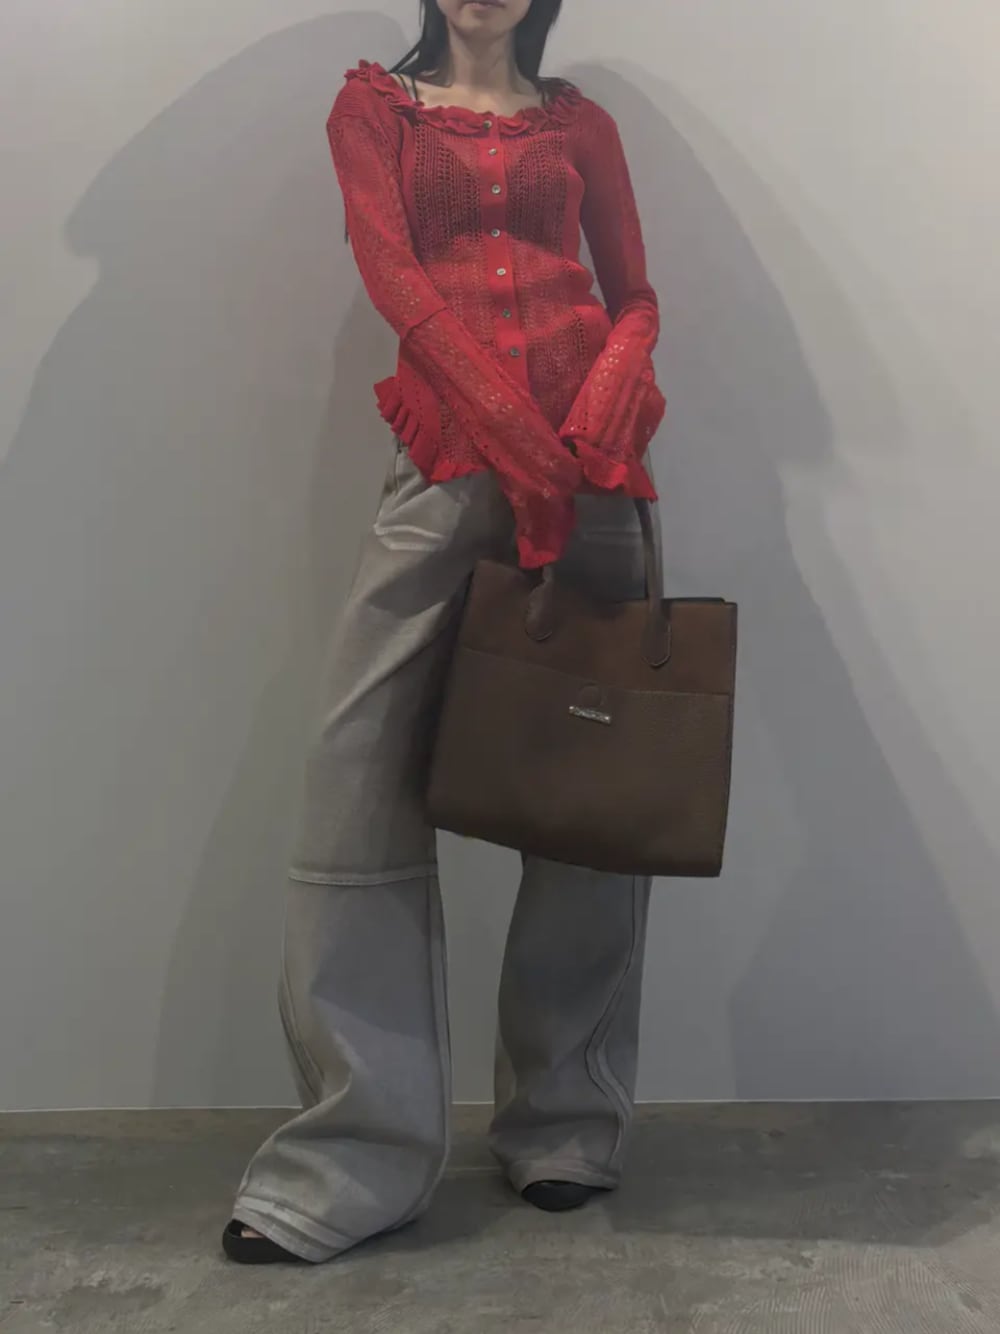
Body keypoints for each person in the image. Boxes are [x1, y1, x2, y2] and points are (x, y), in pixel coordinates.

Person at [223, 0, 666, 1264]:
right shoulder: (374, 111)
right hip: (451, 465)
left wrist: (609, 396)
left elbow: (634, 295)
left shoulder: (581, 125)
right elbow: (398, 284)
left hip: (595, 473)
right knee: (355, 791)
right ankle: (353, 1154)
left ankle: (565, 1121)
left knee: (592, 803)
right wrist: (505, 429)